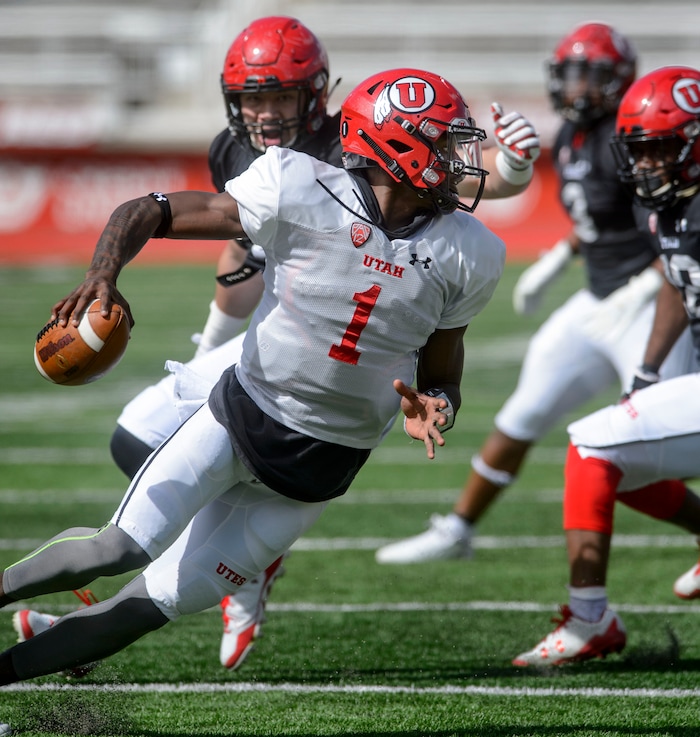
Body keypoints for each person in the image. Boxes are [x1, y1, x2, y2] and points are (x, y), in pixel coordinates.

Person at [14, 18, 542, 672]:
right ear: (399, 148)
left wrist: (439, 402)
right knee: (117, 548)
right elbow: (153, 207)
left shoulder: (470, 251)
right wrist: (104, 271)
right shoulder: (298, 185)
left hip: (317, 472)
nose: (460, 159)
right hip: (239, 412)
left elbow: (444, 364)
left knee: (150, 603)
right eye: (443, 142)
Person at [375, 21, 692, 565]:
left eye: (587, 75)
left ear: (617, 80)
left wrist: (639, 286)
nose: (574, 87)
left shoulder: (637, 141)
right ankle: (458, 529)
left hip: (646, 306)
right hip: (595, 301)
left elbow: (667, 228)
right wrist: (558, 259)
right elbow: (597, 219)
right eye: (568, 74)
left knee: (653, 442)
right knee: (523, 411)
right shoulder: (571, 136)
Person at [512, 64, 700, 666]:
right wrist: (646, 373)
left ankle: (590, 618)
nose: (646, 165)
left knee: (591, 445)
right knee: (618, 461)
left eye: (661, 149)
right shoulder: (671, 205)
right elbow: (678, 276)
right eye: (638, 152)